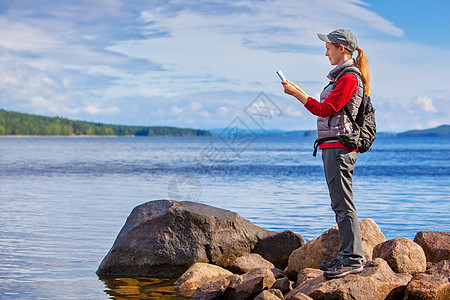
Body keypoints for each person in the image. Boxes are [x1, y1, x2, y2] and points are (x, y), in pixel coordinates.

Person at [282, 29, 371, 279]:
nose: (325, 52)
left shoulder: (349, 78)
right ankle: (347, 256)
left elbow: (326, 109)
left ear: (342, 48)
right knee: (339, 203)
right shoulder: (340, 77)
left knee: (343, 203)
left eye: (329, 47)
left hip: (340, 148)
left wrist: (298, 94)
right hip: (332, 146)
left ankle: (353, 259)